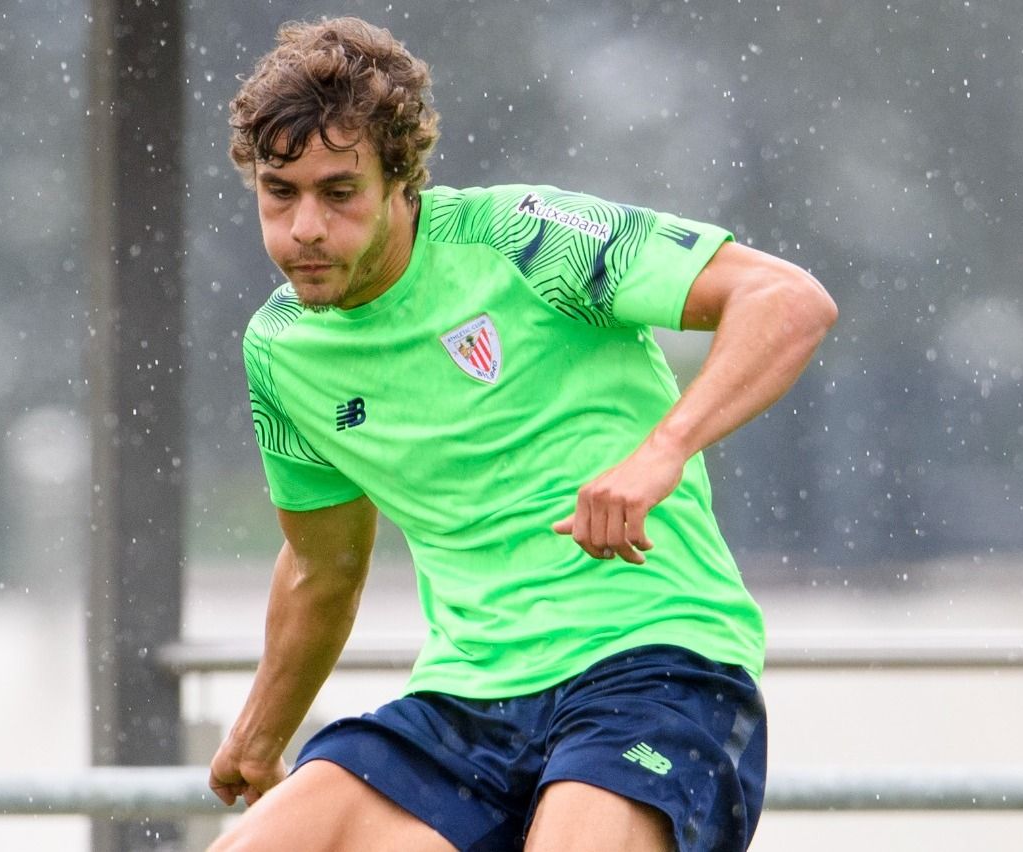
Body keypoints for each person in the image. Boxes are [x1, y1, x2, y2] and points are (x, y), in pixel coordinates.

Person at [207, 16, 837, 852]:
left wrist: (663, 450)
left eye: (339, 191)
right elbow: (323, 567)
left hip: (654, 667)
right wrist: (259, 730)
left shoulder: (523, 238)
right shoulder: (281, 351)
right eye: (280, 194)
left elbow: (788, 302)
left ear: (403, 182)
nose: (306, 228)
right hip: (466, 703)